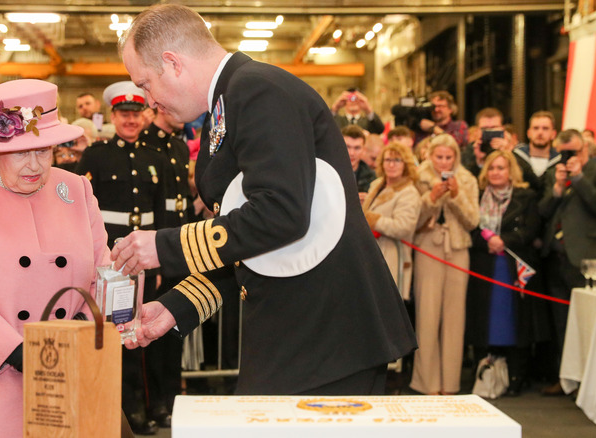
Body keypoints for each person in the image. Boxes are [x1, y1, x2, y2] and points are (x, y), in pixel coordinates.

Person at [113, 3, 416, 396]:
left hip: (326, 332)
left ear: (172, 63)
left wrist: (166, 246)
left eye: (145, 84)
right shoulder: (229, 100)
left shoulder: (255, 88)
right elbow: (249, 244)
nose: (149, 101)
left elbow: (281, 213)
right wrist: (177, 306)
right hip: (299, 329)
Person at [0, 79, 109, 437]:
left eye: (44, 150)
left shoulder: (76, 189)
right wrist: (18, 353)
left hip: (68, 370)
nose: (35, 164)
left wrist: (78, 332)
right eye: (21, 152)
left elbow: (103, 276)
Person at [74, 81, 166, 435]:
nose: (130, 120)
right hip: (109, 259)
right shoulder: (96, 156)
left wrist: (159, 262)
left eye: (135, 113)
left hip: (145, 259)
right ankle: (124, 408)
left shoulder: (155, 156)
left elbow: (158, 213)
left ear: (144, 115)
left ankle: (144, 404)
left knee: (141, 333)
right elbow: (82, 209)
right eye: (123, 114)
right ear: (112, 116)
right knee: (112, 337)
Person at [466, 150, 546, 397]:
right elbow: (468, 227)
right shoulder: (475, 195)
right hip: (484, 266)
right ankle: (484, 374)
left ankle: (515, 377)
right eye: (491, 168)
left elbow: (532, 228)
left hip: (514, 266)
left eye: (501, 168)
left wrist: (504, 240)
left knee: (515, 321)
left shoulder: (526, 196)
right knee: (484, 321)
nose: (496, 173)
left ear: (511, 171)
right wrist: (486, 241)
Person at [537, 129, 596, 395]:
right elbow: (542, 212)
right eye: (563, 153)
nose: (568, 158)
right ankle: (566, 378)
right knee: (561, 322)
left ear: (585, 149)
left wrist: (578, 177)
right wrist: (557, 189)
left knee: (589, 321)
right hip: (556, 257)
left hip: (588, 258)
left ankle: (591, 382)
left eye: (574, 152)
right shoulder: (552, 174)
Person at [410, 133, 479, 395]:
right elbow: (412, 218)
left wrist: (455, 196)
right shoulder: (417, 177)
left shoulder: (467, 179)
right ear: (429, 155)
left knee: (454, 317)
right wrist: (431, 198)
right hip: (428, 246)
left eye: (449, 157)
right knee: (427, 315)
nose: (443, 162)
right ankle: (427, 383)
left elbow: (473, 221)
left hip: (458, 249)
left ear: (456, 157)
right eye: (439, 156)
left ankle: (449, 383)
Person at [138, 107, 193, 426]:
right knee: (152, 332)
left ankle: (171, 399)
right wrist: (154, 261)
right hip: (159, 253)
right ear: (158, 106)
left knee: (175, 327)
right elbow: (151, 207)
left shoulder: (179, 146)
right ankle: (153, 402)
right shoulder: (145, 146)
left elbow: (180, 203)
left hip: (181, 250)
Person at [362, 142, 421, 300]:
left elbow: (404, 227)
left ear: (406, 164)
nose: (392, 164)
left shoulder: (409, 193)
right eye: (388, 160)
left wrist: (374, 220)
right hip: (371, 255)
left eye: (397, 160)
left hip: (393, 258)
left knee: (388, 307)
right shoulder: (376, 185)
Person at [513, 111, 560, 185]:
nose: (540, 132)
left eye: (545, 128)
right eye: (536, 128)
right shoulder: (515, 158)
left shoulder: (559, 161)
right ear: (528, 133)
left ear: (553, 134)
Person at [342, 125, 375, 202]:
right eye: (347, 147)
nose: (351, 153)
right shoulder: (329, 172)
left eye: (357, 148)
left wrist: (368, 200)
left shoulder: (371, 176)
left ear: (364, 149)